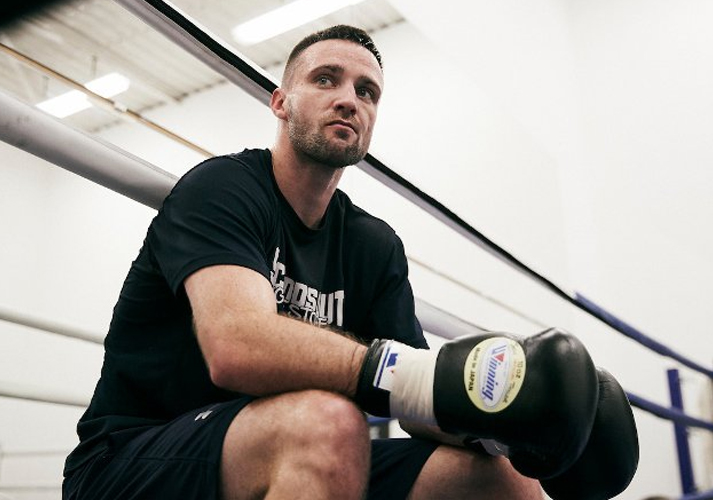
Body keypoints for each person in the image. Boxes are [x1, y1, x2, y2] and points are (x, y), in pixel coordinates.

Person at [62, 25, 636, 500]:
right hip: (131, 458)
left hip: (291, 449)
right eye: (325, 79)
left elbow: (417, 406)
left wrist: (504, 426)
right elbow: (235, 345)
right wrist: (412, 376)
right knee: (327, 422)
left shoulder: (372, 245)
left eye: (367, 92)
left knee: (498, 480)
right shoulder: (224, 188)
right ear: (281, 102)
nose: (349, 99)